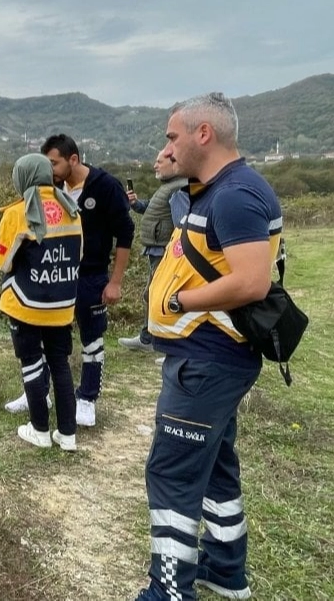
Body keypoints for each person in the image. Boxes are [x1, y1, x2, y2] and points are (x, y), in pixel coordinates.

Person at [134, 93, 282, 601]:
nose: (167, 145)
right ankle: (225, 570)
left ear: (203, 134)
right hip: (210, 359)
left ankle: (168, 590)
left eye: (173, 136)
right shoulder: (215, 188)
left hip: (208, 361)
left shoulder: (236, 195)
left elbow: (251, 282)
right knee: (215, 464)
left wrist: (181, 299)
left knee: (171, 473)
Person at [4, 134, 134, 428]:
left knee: (91, 338)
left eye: (54, 163)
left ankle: (87, 398)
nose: (49, 170)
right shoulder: (54, 189)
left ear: (73, 159)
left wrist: (115, 281)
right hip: (55, 277)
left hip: (90, 276)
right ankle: (38, 392)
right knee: (47, 338)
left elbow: (125, 234)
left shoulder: (106, 187)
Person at [0, 154, 83, 451]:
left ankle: (40, 430)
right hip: (62, 305)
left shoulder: (18, 212)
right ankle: (67, 435)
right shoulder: (71, 209)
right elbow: (77, 256)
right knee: (61, 365)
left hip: (26, 303)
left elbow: (2, 261)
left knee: (32, 364)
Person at [119, 149, 188, 352]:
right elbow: (151, 208)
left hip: (165, 253)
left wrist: (176, 254)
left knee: (161, 295)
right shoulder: (169, 187)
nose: (155, 165)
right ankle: (150, 338)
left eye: (159, 161)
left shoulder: (178, 189)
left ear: (174, 163)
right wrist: (135, 204)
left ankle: (160, 341)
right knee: (152, 294)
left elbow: (183, 226)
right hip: (157, 250)